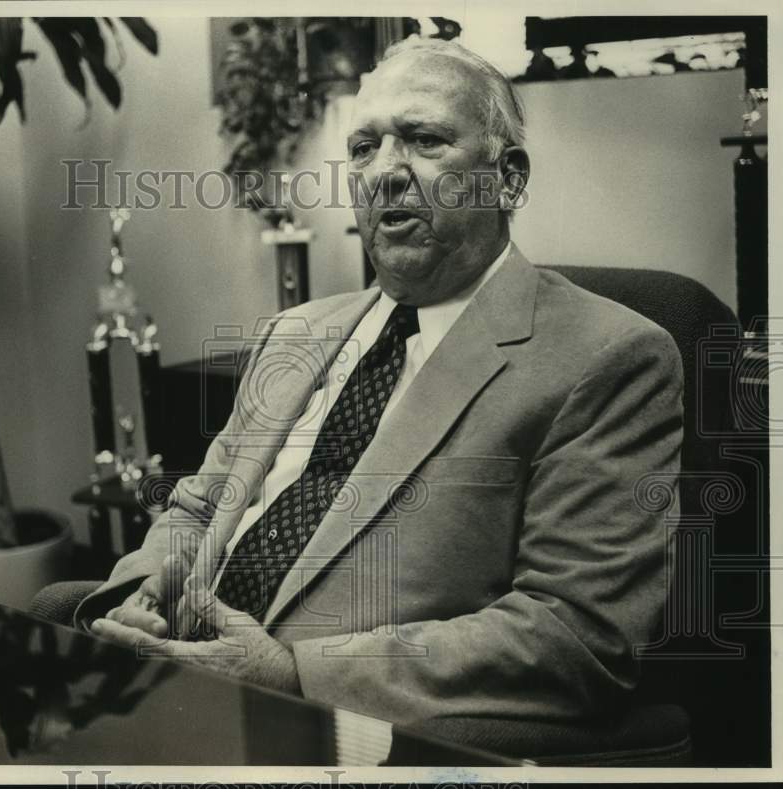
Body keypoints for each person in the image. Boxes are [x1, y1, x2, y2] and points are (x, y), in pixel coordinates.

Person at [81, 36, 683, 727]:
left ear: (509, 177)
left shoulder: (610, 357)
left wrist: (293, 674)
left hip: (343, 724)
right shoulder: (295, 331)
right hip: (183, 674)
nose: (386, 173)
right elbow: (194, 508)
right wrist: (140, 595)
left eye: (424, 139)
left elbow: (576, 631)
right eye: (364, 149)